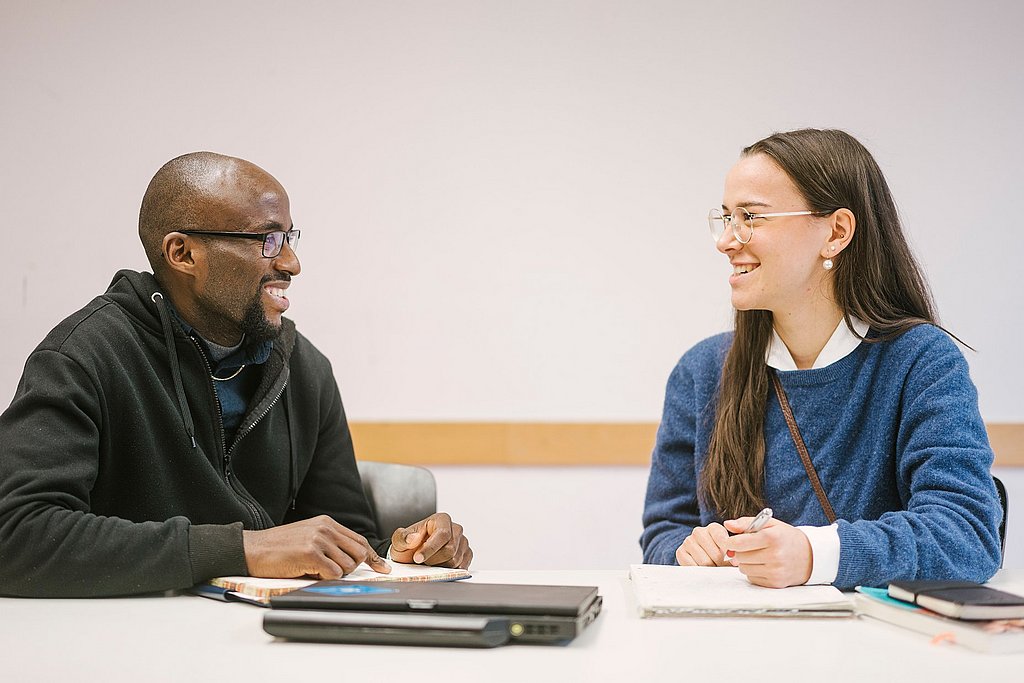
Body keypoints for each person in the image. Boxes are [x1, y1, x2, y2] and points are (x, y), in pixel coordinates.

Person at [0, 152, 472, 597]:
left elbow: (345, 535)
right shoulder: (84, 356)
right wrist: (243, 548)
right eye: (266, 240)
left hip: (262, 643)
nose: (290, 263)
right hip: (124, 642)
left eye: (290, 237)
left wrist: (408, 554)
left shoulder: (304, 368)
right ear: (183, 254)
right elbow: (15, 536)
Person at [640, 129, 1001, 590]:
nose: (726, 241)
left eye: (751, 217)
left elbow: (966, 535)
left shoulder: (921, 361)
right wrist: (689, 551)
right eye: (726, 217)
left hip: (876, 653)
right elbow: (662, 535)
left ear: (836, 232)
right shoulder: (702, 369)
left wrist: (812, 555)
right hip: (733, 647)